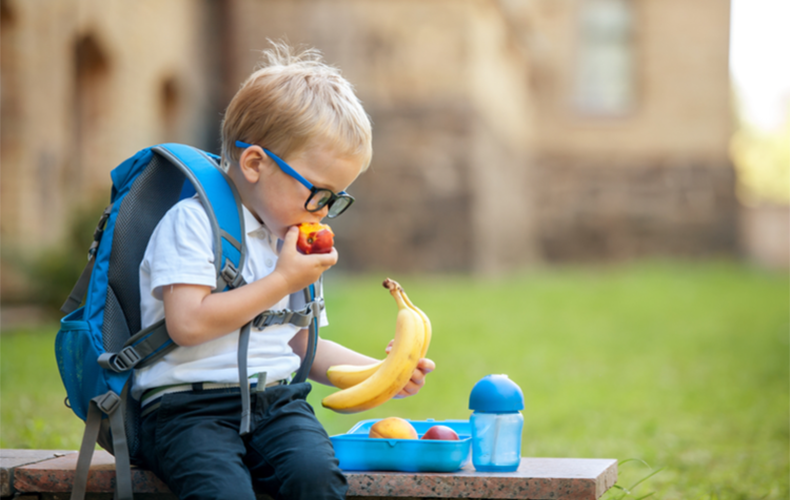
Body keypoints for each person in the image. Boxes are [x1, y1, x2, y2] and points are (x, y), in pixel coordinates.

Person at [132, 42, 435, 500]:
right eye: (319, 193)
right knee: (223, 492)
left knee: (316, 479)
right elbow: (187, 322)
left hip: (276, 404)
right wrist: (282, 280)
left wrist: (383, 373)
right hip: (186, 409)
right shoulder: (194, 223)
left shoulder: (289, 240)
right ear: (255, 163)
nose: (324, 212)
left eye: (336, 199)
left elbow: (300, 344)